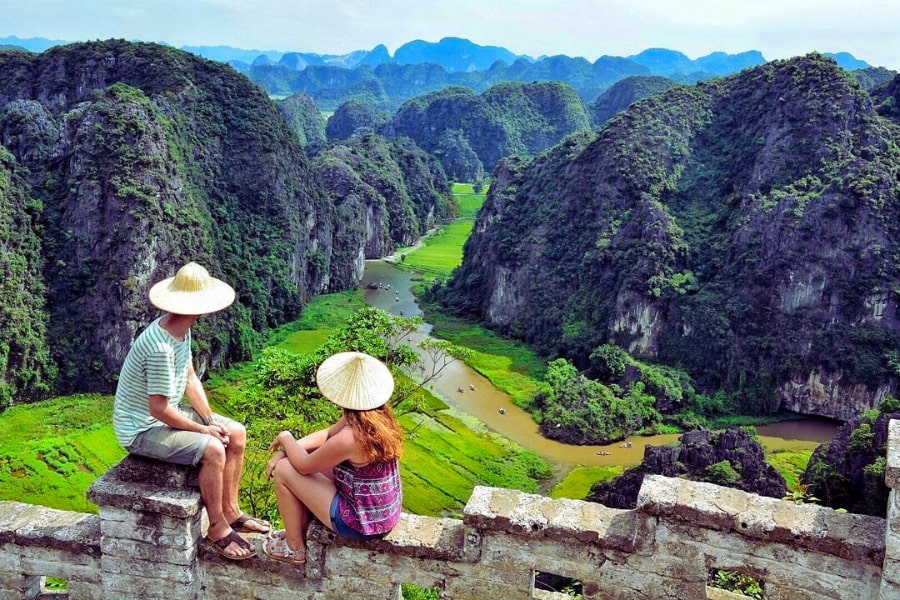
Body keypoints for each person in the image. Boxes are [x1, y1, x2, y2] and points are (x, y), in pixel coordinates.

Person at [113, 262, 270, 561]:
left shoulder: (178, 330)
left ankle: (232, 510)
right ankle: (218, 528)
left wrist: (210, 419)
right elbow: (157, 409)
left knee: (235, 432)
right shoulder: (160, 348)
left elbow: (189, 378)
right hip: (141, 429)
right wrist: (203, 431)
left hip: (166, 414)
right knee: (213, 449)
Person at [263, 351, 404, 565]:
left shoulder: (351, 437)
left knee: (284, 469)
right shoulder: (376, 418)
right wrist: (290, 449)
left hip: (360, 523)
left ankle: (294, 549)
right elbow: (328, 434)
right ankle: (298, 530)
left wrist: (286, 438)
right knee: (300, 458)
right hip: (381, 514)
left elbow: (303, 466)